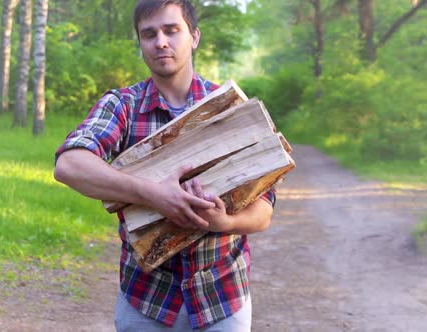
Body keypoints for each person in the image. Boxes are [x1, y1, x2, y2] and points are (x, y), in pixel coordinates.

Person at [54, 0, 275, 330]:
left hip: (222, 299)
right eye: (149, 34)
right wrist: (154, 195)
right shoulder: (122, 105)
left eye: (172, 31)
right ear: (140, 43)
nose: (161, 42)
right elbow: (69, 165)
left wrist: (223, 222)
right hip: (146, 300)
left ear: (194, 36)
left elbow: (264, 211)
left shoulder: (229, 108)